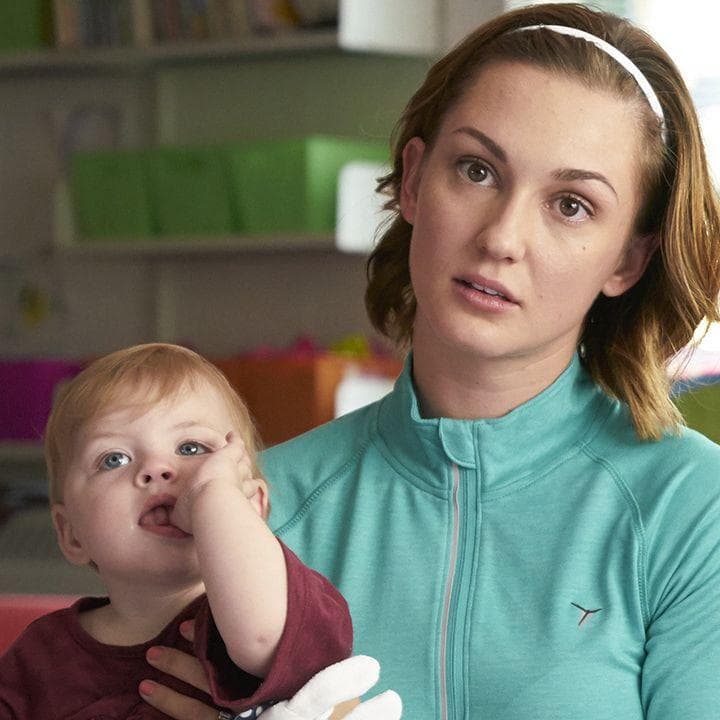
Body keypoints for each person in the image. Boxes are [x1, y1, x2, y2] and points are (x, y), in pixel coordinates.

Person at [133, 3, 720, 719]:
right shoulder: (253, 509)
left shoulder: (694, 510)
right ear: (413, 180)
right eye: (477, 170)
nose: (502, 237)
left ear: (628, 258)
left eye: (570, 205)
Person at [0, 343, 358, 718]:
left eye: (191, 448)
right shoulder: (38, 658)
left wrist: (215, 496)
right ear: (71, 534)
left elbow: (262, 637)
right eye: (114, 459)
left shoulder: (279, 602)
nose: (157, 468)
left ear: (252, 504)